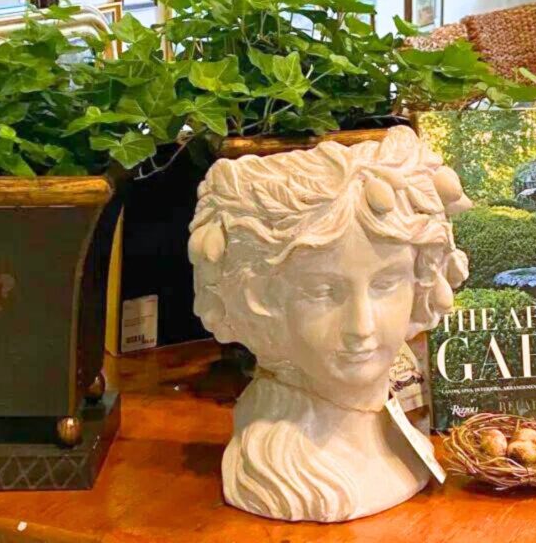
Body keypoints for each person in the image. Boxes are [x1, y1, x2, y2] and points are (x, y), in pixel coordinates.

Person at [190, 126, 471, 522]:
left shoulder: (403, 437)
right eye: (323, 291)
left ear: (420, 278)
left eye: (385, 284)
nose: (361, 325)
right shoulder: (283, 476)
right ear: (262, 301)